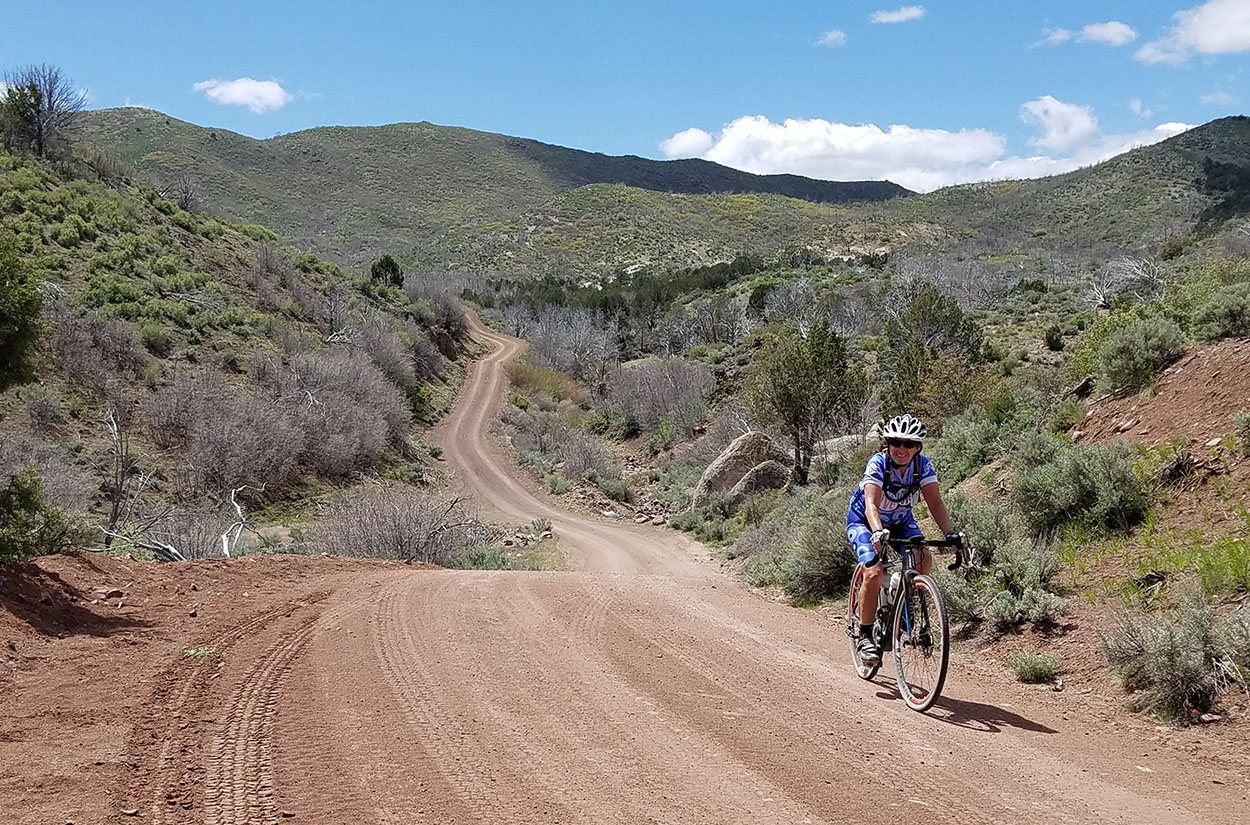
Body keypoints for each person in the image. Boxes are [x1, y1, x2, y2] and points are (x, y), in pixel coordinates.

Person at [846, 413, 964, 665]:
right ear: (887, 443)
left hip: (900, 521)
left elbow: (935, 503)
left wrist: (950, 534)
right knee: (874, 572)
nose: (902, 448)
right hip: (865, 521)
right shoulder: (878, 464)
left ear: (917, 447)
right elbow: (870, 504)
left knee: (923, 558)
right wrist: (877, 531)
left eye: (909, 444)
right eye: (896, 442)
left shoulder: (923, 466)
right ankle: (865, 635)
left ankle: (899, 609)